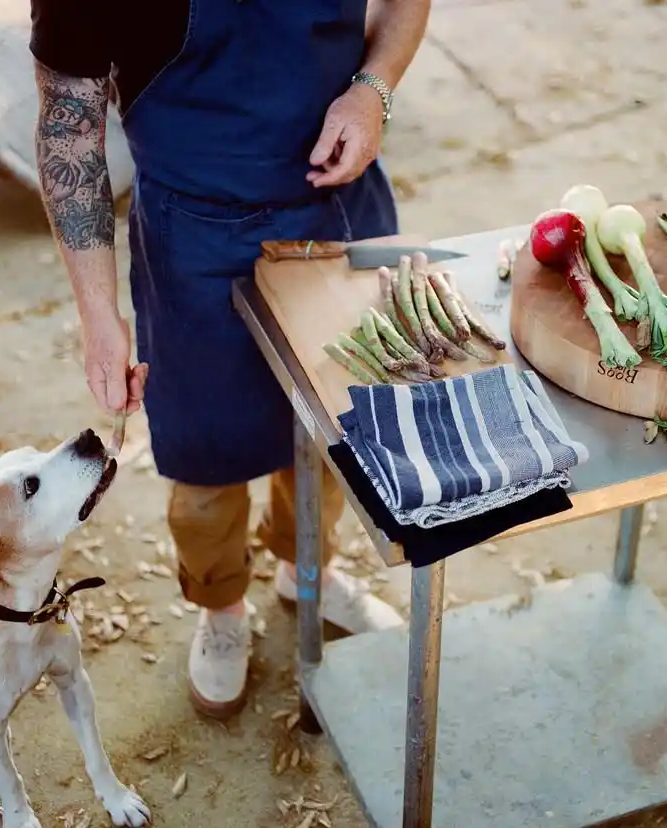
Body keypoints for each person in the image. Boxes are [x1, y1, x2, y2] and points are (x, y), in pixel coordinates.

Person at [28, 0, 430, 719]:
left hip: (335, 206)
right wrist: (99, 316)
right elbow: (69, 128)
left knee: (333, 432)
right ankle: (222, 606)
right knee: (206, 455)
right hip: (194, 234)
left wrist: (374, 88)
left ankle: (307, 567)